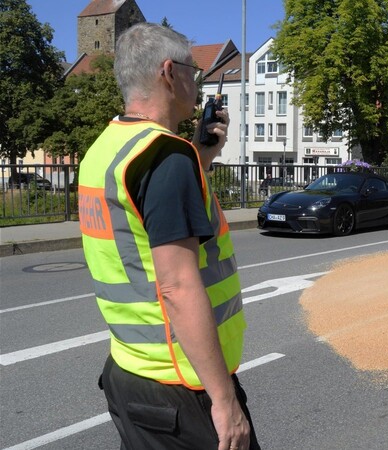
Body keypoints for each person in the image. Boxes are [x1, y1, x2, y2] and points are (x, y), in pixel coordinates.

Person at [78, 23, 259, 450]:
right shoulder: (166, 159)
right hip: (181, 385)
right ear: (167, 73)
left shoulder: (106, 149)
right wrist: (224, 400)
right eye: (192, 72)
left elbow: (141, 232)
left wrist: (203, 157)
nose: (195, 82)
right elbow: (176, 285)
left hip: (130, 371)